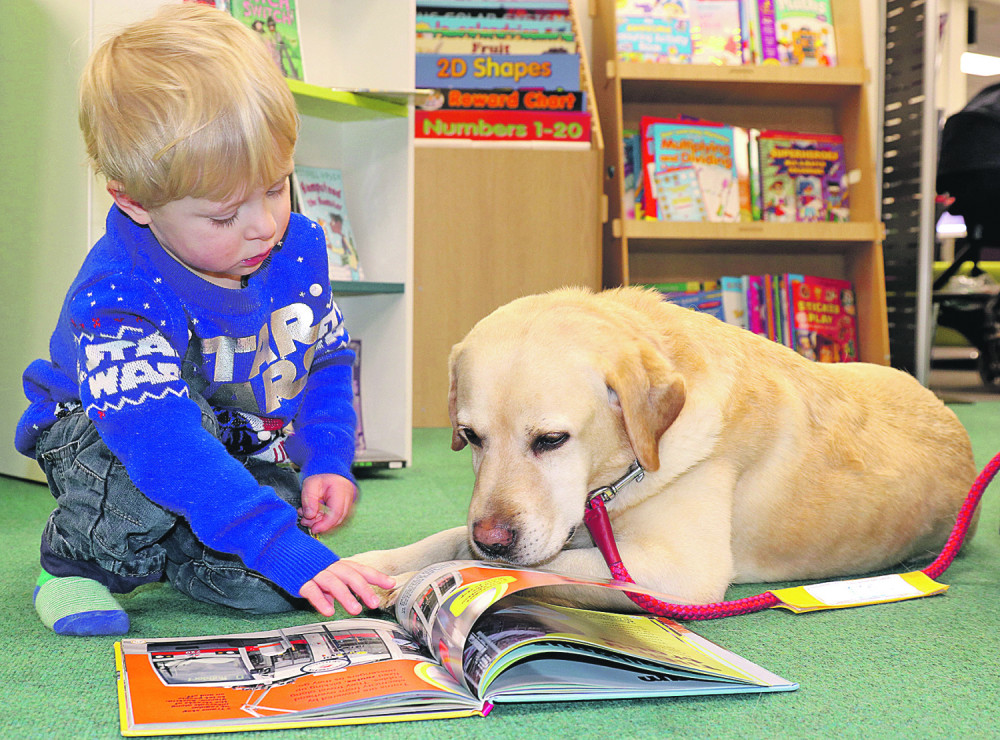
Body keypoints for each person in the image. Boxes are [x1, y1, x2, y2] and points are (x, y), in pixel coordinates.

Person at [14, 3, 394, 636]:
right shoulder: (119, 292)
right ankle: (76, 561)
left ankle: (182, 552)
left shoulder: (296, 247)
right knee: (138, 476)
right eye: (223, 216)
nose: (264, 225)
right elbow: (163, 442)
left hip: (222, 431)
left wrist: (326, 456)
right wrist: (280, 548)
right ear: (135, 201)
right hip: (107, 431)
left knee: (272, 570)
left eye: (276, 187)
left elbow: (324, 354)